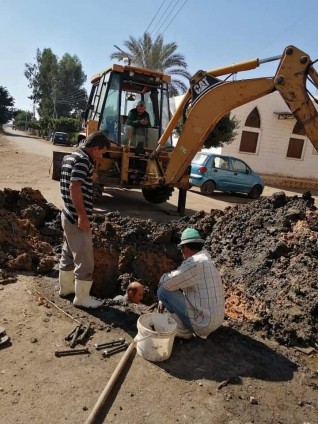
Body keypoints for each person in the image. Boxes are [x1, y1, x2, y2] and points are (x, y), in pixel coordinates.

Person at [58, 131, 110, 308]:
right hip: (76, 218)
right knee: (85, 260)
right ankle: (82, 299)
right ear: (95, 148)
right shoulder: (83, 160)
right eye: (101, 152)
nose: (101, 156)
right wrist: (82, 216)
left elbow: (66, 183)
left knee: (68, 254)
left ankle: (66, 288)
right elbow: (75, 186)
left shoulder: (71, 156)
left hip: (66, 214)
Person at [157, 228, 224, 339]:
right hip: (215, 322)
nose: (182, 252)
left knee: (163, 291)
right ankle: (186, 324)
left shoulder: (194, 263)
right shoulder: (206, 260)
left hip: (202, 325)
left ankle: (183, 330)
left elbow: (167, 283)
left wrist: (162, 279)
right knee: (176, 288)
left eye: (181, 249)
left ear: (185, 248)